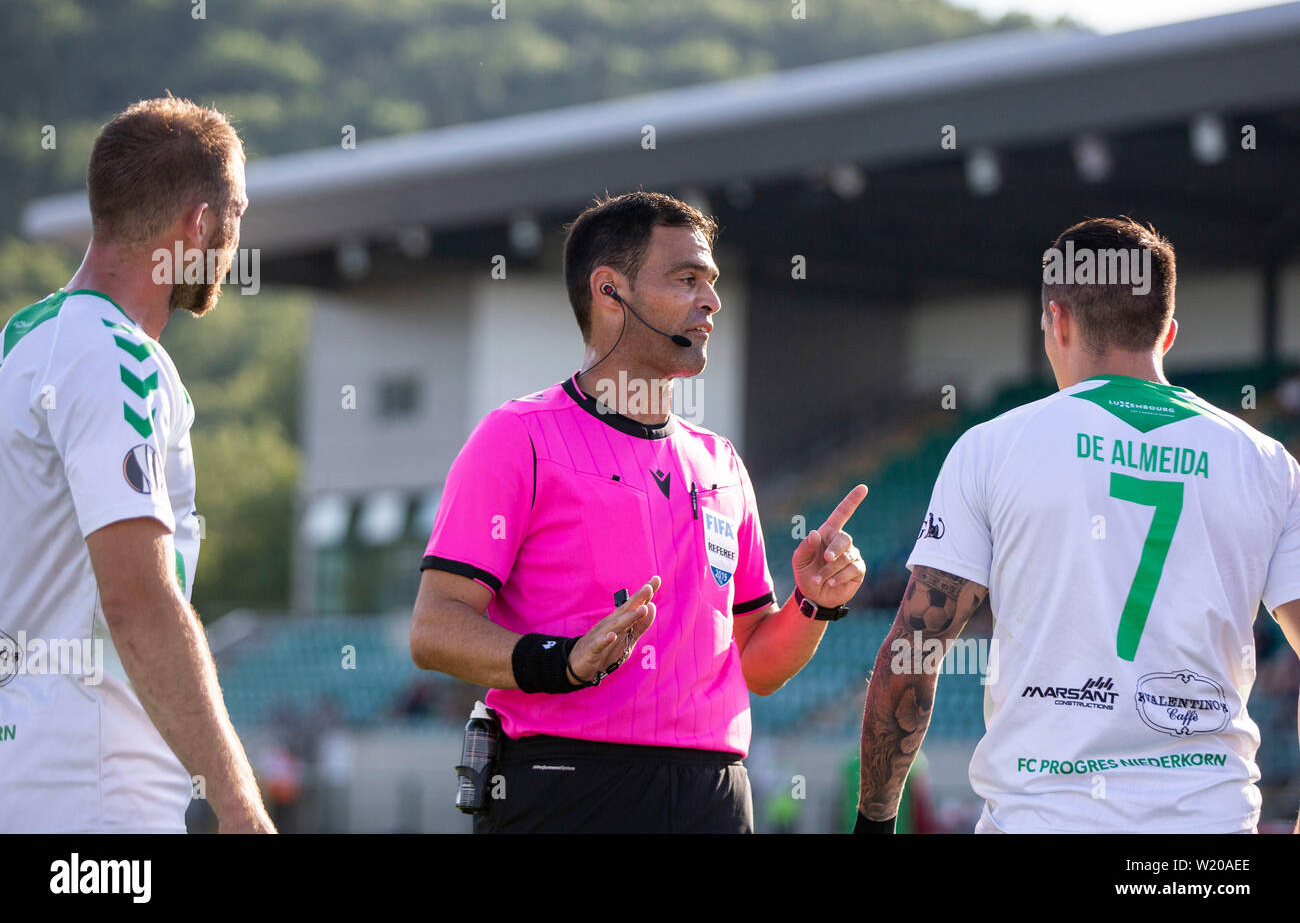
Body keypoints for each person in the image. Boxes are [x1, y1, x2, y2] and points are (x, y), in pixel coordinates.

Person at [410, 190, 867, 833]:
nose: (711, 301)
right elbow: (434, 628)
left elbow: (756, 665)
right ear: (611, 291)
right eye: (686, 279)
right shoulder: (517, 438)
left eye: (711, 282)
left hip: (714, 794)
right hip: (567, 786)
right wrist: (560, 661)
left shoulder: (721, 463)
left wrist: (815, 604)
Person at [855, 216, 1300, 834]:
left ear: (1056, 321)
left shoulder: (991, 449)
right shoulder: (1268, 465)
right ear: (1166, 335)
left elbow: (914, 649)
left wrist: (874, 820)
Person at [0, 97, 274, 833]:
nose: (235, 238)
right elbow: (140, 601)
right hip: (88, 799)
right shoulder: (116, 357)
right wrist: (242, 809)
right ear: (200, 223)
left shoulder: (20, 347)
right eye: (237, 213)